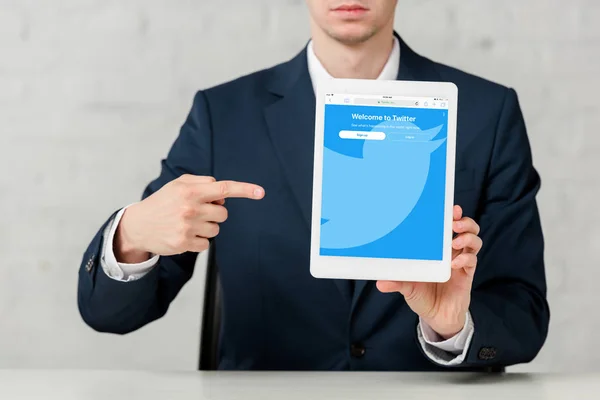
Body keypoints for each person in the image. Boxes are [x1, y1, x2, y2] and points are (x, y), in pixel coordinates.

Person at [78, 0, 549, 371]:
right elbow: (111, 314)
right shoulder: (223, 116)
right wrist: (132, 234)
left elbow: (523, 314)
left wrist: (453, 329)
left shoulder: (488, 113)